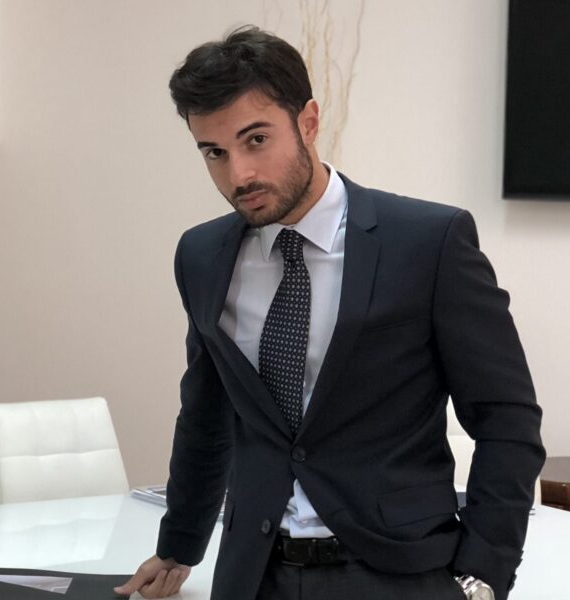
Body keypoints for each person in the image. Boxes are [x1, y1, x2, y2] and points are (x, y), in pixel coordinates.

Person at [115, 26, 544, 600]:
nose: (238, 174)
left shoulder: (428, 242)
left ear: (309, 122)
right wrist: (179, 545)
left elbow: (506, 418)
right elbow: (206, 414)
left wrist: (483, 573)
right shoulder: (201, 255)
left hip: (398, 575)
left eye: (256, 139)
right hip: (253, 576)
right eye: (214, 152)